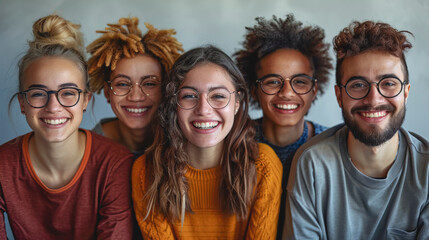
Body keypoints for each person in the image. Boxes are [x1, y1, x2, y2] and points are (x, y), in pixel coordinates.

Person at [284, 20, 429, 239]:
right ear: (339, 96)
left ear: (406, 92)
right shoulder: (312, 163)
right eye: (358, 85)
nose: (373, 99)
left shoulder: (426, 170)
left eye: (389, 83)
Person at [0, 14, 134, 239]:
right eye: (38, 94)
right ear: (23, 103)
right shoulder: (3, 166)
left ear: (85, 101)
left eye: (68, 93)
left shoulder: (115, 164)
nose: (53, 107)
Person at [132, 46, 282, 239]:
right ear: (173, 104)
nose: (203, 109)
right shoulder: (146, 171)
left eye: (218, 96)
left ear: (237, 103)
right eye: (189, 96)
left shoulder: (263, 165)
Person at [234, 14, 333, 238]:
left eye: (300, 82)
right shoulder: (232, 142)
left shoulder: (332, 147)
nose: (287, 92)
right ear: (253, 90)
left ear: (314, 90)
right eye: (272, 82)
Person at [87, 17, 183, 158]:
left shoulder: (183, 144)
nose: (136, 96)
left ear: (165, 90)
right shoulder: (88, 150)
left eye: (149, 84)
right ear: (108, 92)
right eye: (123, 84)